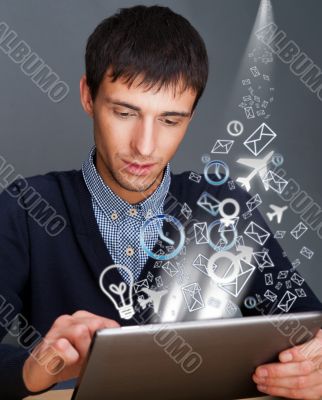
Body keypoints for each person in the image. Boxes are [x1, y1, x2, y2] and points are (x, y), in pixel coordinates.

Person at [0, 5, 322, 399]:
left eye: (170, 121)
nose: (145, 146)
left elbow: (307, 327)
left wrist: (313, 365)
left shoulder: (225, 209)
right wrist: (34, 370)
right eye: (124, 112)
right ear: (88, 95)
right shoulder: (25, 208)